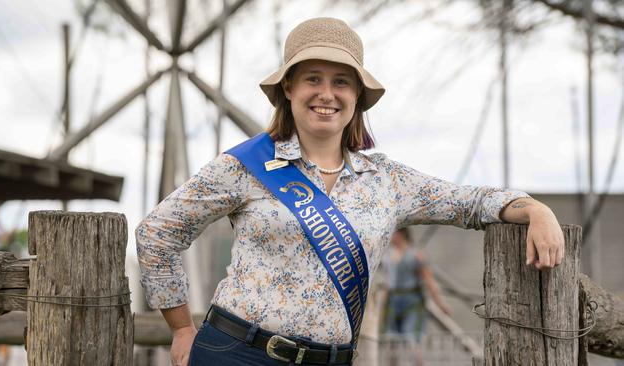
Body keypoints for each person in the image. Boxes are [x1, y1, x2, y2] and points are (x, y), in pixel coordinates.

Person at [136, 17, 565, 366]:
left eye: (341, 82)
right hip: (237, 354)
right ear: (289, 89)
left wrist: (533, 209)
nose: (327, 94)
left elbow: (468, 202)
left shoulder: (386, 181)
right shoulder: (245, 165)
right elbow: (157, 232)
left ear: (358, 95)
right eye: (313, 79)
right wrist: (181, 329)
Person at [381, 227, 450, 366]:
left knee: (412, 340)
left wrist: (441, 304)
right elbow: (387, 282)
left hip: (412, 300)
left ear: (401, 234)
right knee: (391, 341)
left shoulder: (416, 255)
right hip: (393, 301)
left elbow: (429, 281)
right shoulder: (387, 255)